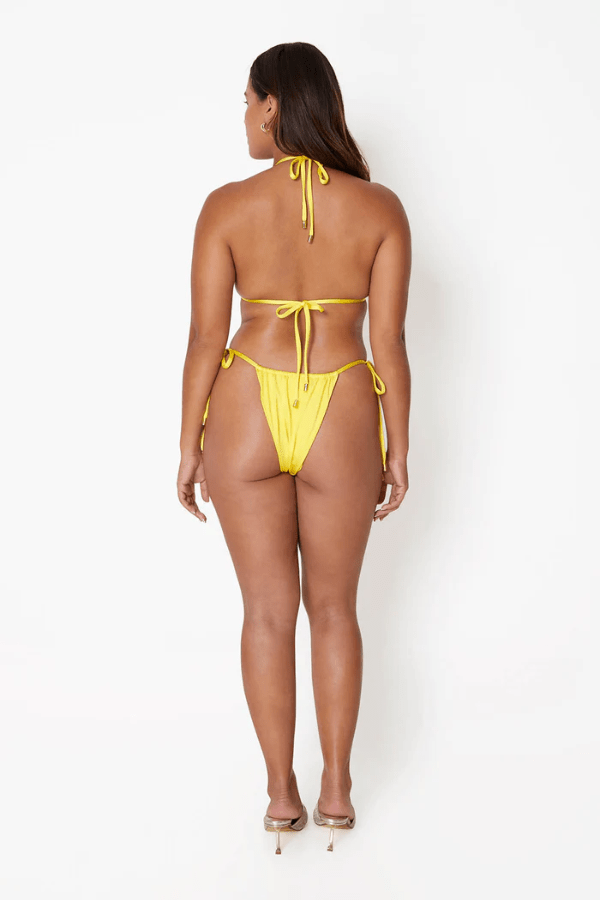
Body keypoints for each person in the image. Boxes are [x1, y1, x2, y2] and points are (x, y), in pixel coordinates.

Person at [177, 42, 411, 853]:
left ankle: (282, 798)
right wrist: (399, 447)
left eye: (248, 100)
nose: (244, 114)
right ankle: (336, 791)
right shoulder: (380, 209)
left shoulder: (226, 207)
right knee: (335, 609)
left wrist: (187, 444)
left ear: (274, 104)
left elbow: (206, 339)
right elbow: (389, 345)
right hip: (342, 404)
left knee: (267, 613)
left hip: (247, 403)